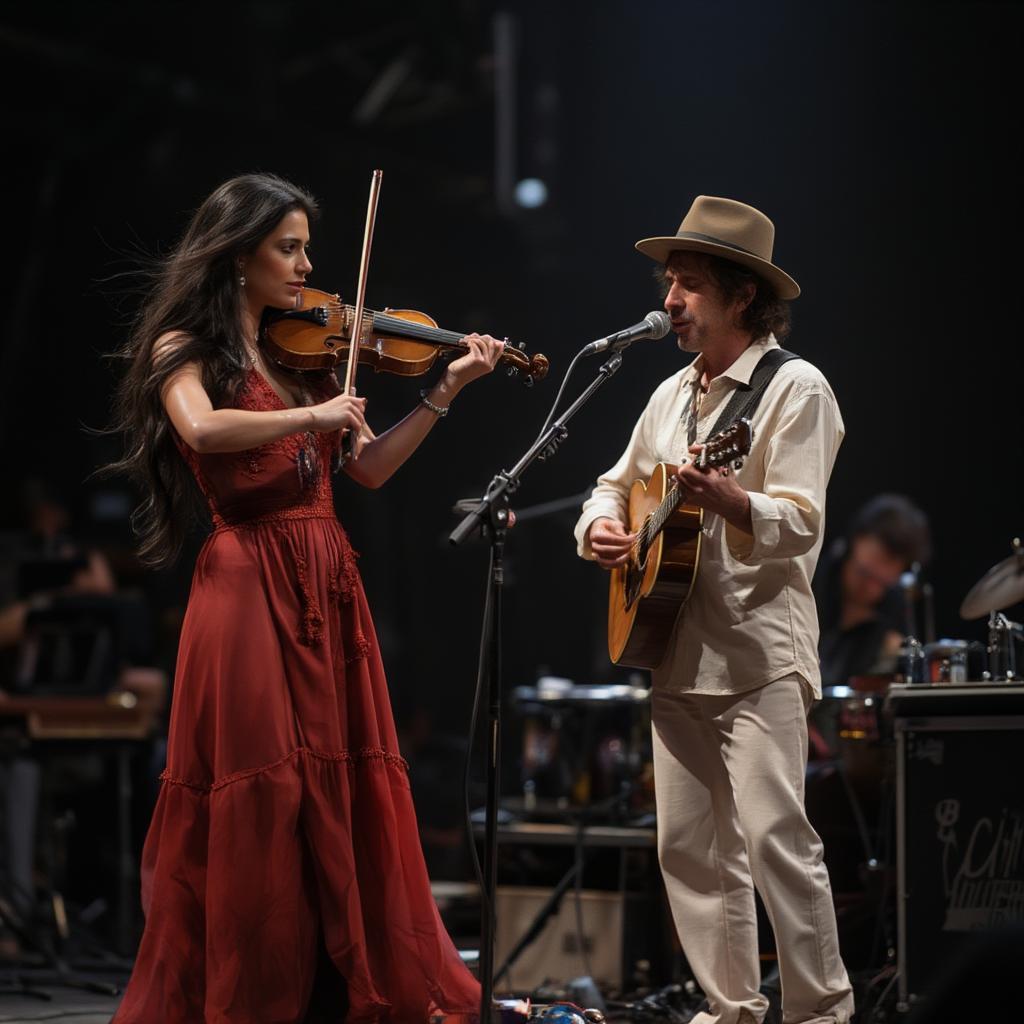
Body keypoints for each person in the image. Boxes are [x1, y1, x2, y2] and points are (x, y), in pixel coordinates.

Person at [105, 172, 504, 1023]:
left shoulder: (306, 355)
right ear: (237, 251)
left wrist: (442, 391)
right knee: (265, 785)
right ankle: (255, 996)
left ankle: (329, 987)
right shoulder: (188, 348)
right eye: (287, 246)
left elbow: (367, 468)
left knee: (339, 782)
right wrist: (310, 420)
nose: (305, 264)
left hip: (325, 578)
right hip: (246, 583)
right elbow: (204, 430)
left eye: (306, 247)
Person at [574, 196, 853, 1024]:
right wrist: (602, 526)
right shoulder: (669, 394)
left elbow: (802, 523)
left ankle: (821, 1012)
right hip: (674, 647)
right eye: (669, 284)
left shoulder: (795, 389)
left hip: (758, 651)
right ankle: (731, 1009)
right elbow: (612, 483)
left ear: (741, 297)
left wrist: (734, 501)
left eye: (689, 285)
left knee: (775, 843)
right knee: (689, 850)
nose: (670, 302)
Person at [814, 493, 932, 688]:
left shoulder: (897, 606)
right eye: (864, 574)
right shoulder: (815, 576)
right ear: (856, 539)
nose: (869, 588)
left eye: (881, 583)